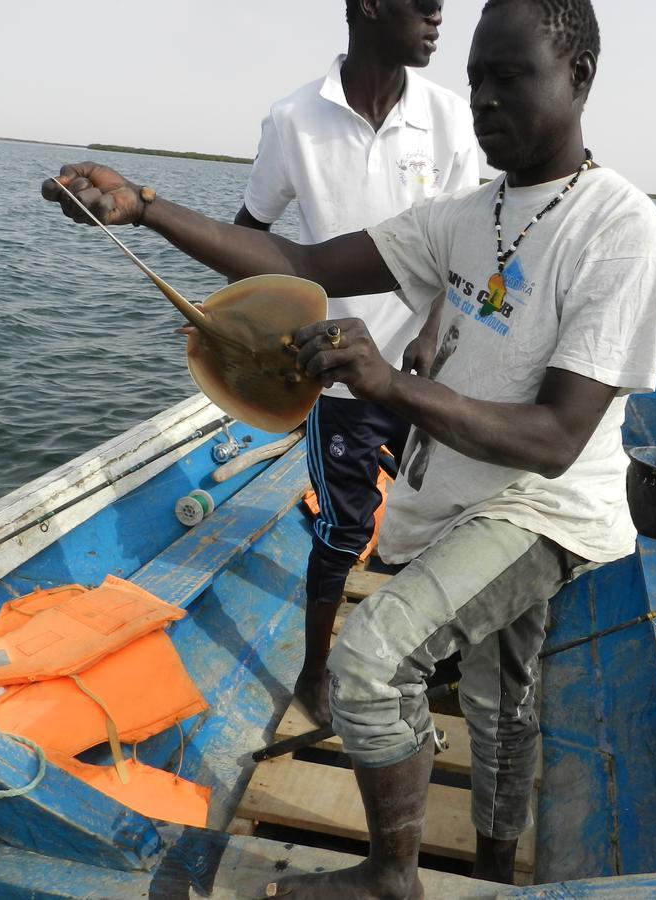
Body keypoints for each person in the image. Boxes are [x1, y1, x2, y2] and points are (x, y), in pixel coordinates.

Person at [42, 0, 656, 894]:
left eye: (512, 76)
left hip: (544, 506)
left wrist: (390, 384)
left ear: (580, 79)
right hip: (455, 494)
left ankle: (392, 876)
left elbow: (558, 438)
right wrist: (142, 207)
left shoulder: (621, 230)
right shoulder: (464, 215)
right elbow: (297, 265)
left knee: (372, 662)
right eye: (478, 78)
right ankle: (495, 867)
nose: (486, 97)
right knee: (499, 696)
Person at [233, 0, 479, 727]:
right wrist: (244, 337)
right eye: (424, 3)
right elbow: (252, 232)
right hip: (335, 375)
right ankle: (315, 674)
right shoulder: (293, 120)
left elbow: (463, 248)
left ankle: (437, 666)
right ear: (370, 5)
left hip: (428, 370)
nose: (439, 14)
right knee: (343, 529)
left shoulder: (449, 118)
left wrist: (431, 332)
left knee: (441, 519)